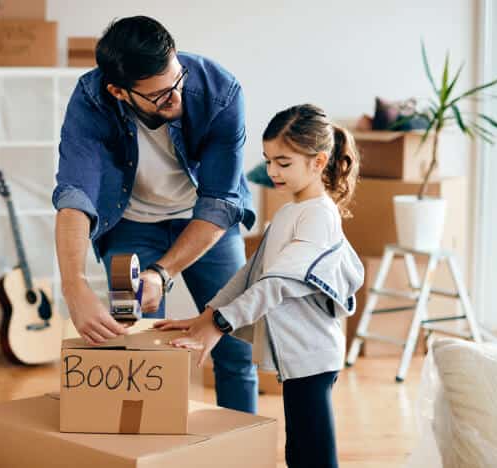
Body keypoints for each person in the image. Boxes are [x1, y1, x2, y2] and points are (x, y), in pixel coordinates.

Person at [52, 16, 258, 413]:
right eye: (161, 96)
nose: (176, 99)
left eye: (177, 81)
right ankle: (142, 447)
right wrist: (74, 286)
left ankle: (241, 450)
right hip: (129, 224)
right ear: (119, 91)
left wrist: (162, 273)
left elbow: (218, 200)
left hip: (206, 224)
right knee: (135, 346)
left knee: (234, 346)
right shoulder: (91, 100)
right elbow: (75, 195)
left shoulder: (220, 91)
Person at [155, 103, 365, 468]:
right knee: (299, 449)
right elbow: (250, 273)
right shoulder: (289, 212)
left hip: (312, 357)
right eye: (268, 161)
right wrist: (207, 316)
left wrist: (220, 324)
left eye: (284, 163)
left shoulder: (318, 216)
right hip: (299, 357)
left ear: (318, 162)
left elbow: (277, 283)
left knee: (312, 453)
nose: (272, 172)